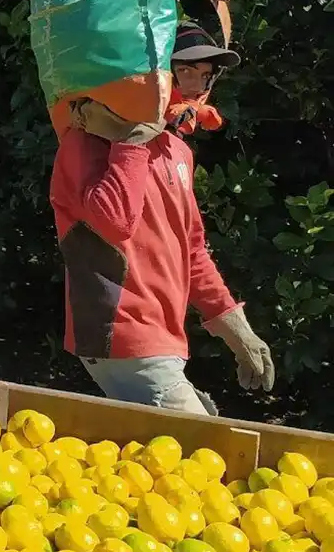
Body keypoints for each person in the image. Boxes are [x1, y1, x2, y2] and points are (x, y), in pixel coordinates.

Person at [48, 22, 274, 415]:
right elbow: (113, 223)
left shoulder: (178, 151)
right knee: (201, 459)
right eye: (184, 70)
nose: (196, 85)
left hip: (164, 338)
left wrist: (240, 334)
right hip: (118, 334)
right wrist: (132, 138)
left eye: (205, 75)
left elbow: (193, 251)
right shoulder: (85, 141)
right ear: (153, 74)